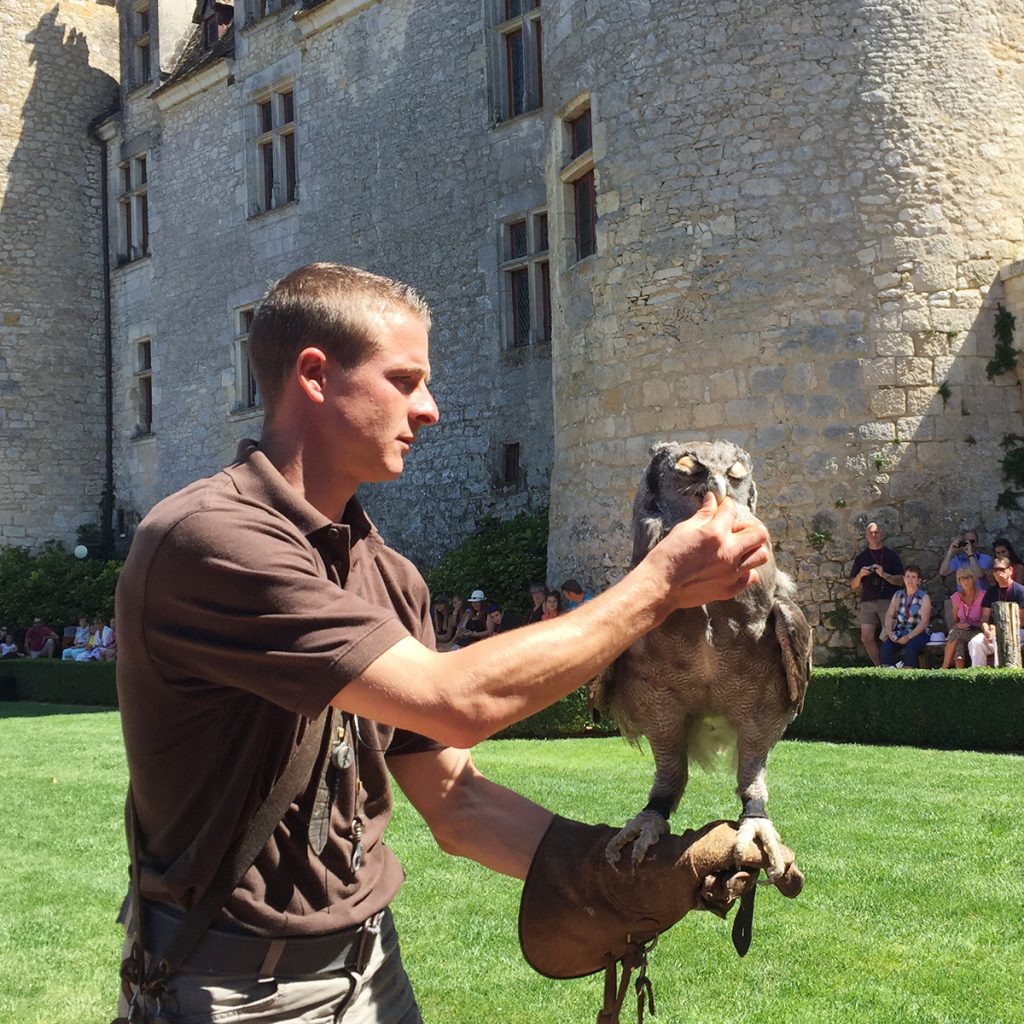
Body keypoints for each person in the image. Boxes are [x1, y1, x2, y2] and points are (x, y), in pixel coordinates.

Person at [113, 263, 770, 1023]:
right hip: (229, 992)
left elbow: (456, 804)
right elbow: (459, 701)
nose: (429, 409)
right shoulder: (210, 541)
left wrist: (620, 870)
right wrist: (658, 586)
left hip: (372, 973)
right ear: (316, 376)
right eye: (405, 380)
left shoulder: (388, 577)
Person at [849, 522, 903, 666]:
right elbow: (853, 585)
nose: (873, 535)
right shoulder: (861, 558)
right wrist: (860, 574)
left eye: (876, 532)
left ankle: (892, 665)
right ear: (866, 536)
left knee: (888, 636)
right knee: (866, 638)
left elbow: (901, 581)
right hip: (868, 602)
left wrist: (884, 574)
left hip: (887, 601)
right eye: (871, 533)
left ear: (882, 535)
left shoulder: (891, 556)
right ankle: (880, 668)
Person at [967, 557, 1024, 667]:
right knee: (975, 642)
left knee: (1000, 640)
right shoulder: (991, 592)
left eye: (1001, 569)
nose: (998, 573)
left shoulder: (1020, 591)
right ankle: (978, 677)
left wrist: (998, 631)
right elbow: (984, 617)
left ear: (1010, 570)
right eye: (995, 570)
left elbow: (1021, 622)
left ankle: (999, 675)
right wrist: (986, 630)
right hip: (993, 632)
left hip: (1019, 631)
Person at [879, 565, 932, 668]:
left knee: (911, 646)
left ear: (919, 580)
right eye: (907, 576)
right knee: (886, 648)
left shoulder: (924, 597)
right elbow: (889, 615)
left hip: (918, 633)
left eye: (913, 577)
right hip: (900, 631)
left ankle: (907, 674)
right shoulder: (897, 595)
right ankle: (889, 675)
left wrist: (909, 637)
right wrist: (890, 633)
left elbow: (924, 622)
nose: (910, 579)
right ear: (903, 578)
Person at [941, 569, 984, 668]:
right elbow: (954, 621)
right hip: (961, 630)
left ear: (974, 578)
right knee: (958, 642)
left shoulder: (982, 595)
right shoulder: (956, 597)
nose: (965, 580)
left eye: (967, 577)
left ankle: (943, 668)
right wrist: (958, 625)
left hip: (977, 630)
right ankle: (960, 673)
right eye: (961, 578)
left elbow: (986, 618)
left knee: (954, 634)